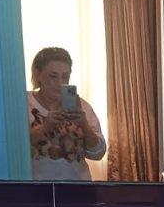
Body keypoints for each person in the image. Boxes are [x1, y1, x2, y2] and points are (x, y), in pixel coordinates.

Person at [27, 47, 106, 180]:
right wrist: (45, 127)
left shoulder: (82, 107)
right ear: (38, 74)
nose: (60, 83)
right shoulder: (24, 104)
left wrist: (84, 126)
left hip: (78, 187)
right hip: (37, 187)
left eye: (65, 76)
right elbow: (15, 149)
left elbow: (98, 154)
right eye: (53, 76)